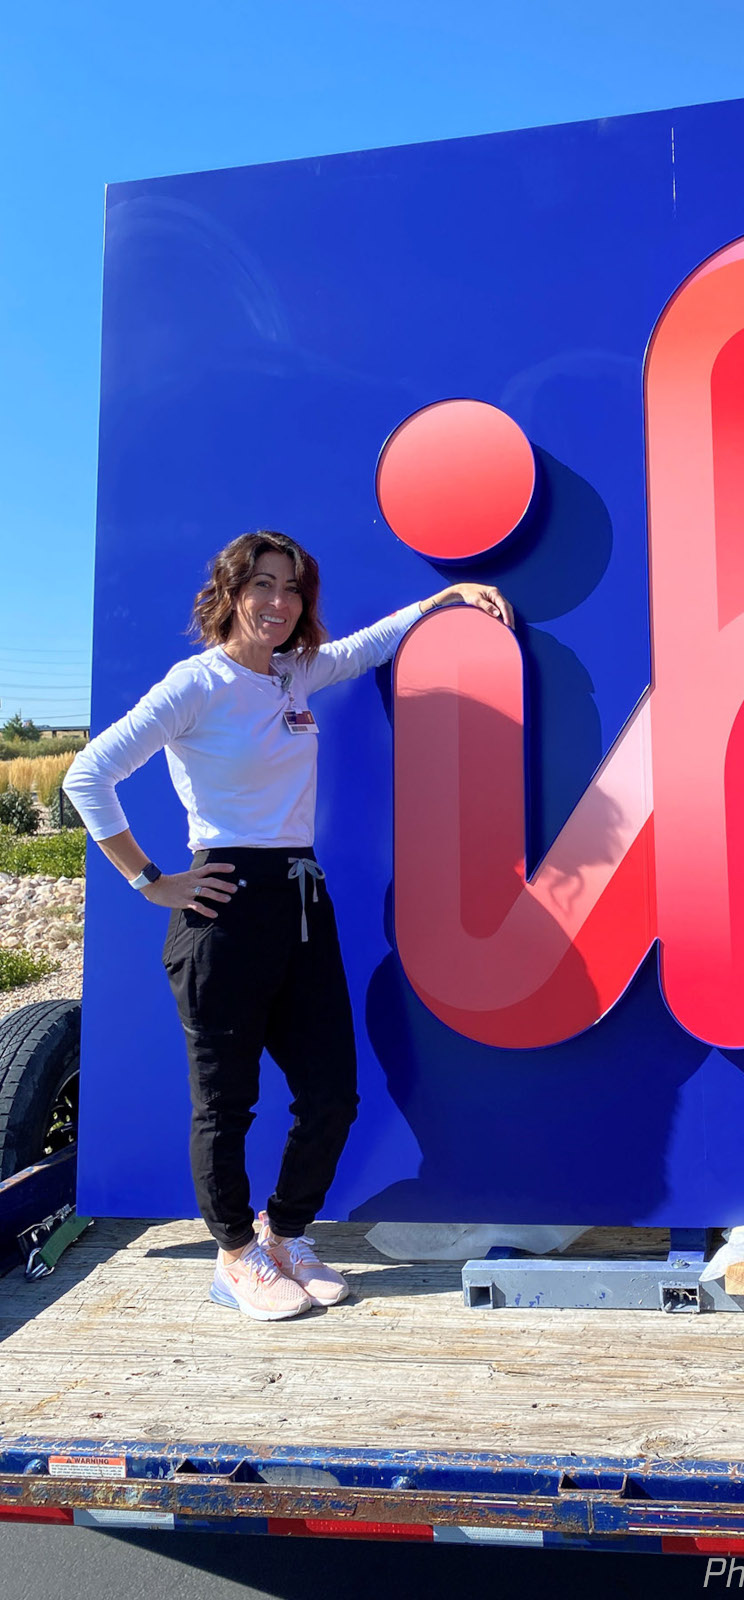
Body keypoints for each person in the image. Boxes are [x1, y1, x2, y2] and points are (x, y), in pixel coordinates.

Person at [64, 530, 513, 1321]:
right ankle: (234, 1256)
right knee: (225, 1104)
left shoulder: (295, 673)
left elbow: (372, 646)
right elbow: (87, 774)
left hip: (304, 901)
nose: (279, 602)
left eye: (294, 588)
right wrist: (150, 880)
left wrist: (444, 601)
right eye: (264, 585)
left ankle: (286, 1234)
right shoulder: (195, 684)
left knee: (331, 1093)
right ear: (231, 592)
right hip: (225, 907)